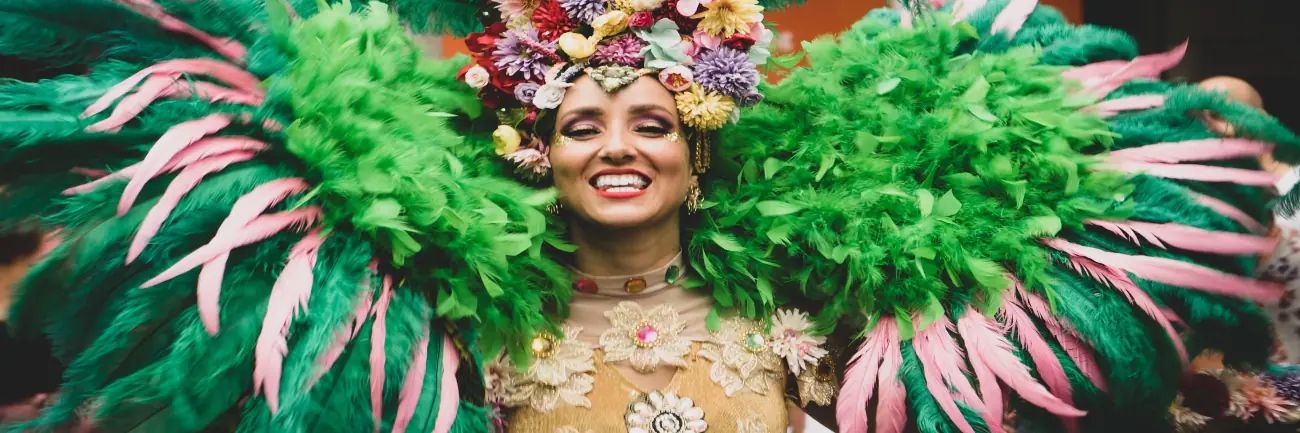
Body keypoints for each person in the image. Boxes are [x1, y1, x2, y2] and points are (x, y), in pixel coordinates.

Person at [3, 1, 1300, 432]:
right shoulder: (475, 322)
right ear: (539, 152)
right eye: (581, 122)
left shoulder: (791, 308)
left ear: (696, 154)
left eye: (651, 123)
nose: (616, 144)